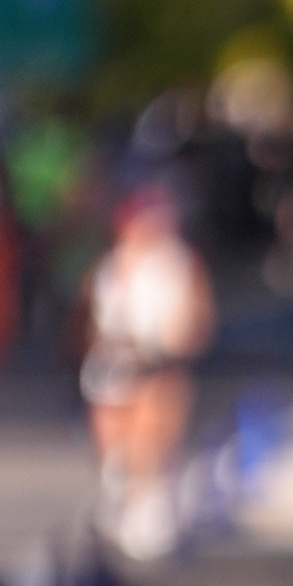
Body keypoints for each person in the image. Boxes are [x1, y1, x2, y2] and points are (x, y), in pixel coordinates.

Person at [79, 186, 214, 563]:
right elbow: (94, 315)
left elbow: (192, 320)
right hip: (116, 359)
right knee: (114, 443)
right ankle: (118, 505)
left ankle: (148, 517)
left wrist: (169, 346)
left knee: (152, 441)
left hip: (157, 361)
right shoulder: (111, 263)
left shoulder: (177, 263)